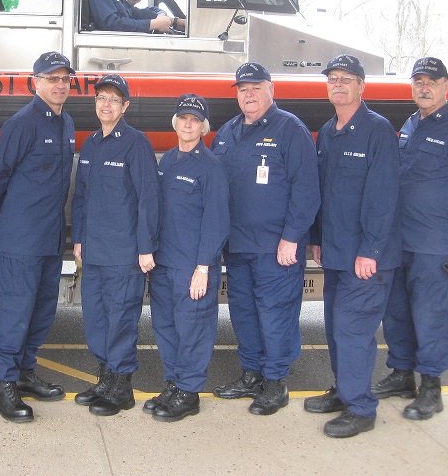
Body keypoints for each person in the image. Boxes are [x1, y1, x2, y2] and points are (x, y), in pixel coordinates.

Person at [372, 57, 448, 420]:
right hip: (398, 240)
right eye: (419, 81)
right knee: (397, 314)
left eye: (432, 82)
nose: (424, 87)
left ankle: (431, 388)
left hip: (432, 242)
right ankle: (401, 374)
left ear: (445, 87)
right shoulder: (410, 124)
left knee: (430, 315)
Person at [211, 63, 320, 416]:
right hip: (238, 247)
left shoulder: (290, 129)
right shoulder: (226, 133)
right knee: (244, 314)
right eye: (242, 89)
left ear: (271, 89)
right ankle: (251, 374)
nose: (248, 94)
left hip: (277, 248)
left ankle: (275, 383)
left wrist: (292, 237)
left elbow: (307, 189)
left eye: (256, 87)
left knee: (275, 316)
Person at [304, 54, 401, 438]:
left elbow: (384, 197)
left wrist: (371, 251)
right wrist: (317, 240)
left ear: (362, 86)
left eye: (347, 79)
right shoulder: (328, 131)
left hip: (365, 258)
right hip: (336, 252)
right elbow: (323, 193)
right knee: (334, 328)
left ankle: (361, 408)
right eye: (333, 79)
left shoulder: (378, 131)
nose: (338, 85)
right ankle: (345, 391)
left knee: (353, 331)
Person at [0, 51, 75, 423]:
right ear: (35, 82)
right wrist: (8, 220)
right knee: (16, 312)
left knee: (41, 311)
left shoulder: (65, 122)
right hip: (21, 238)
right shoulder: (22, 123)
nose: (60, 85)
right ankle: (2, 387)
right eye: (52, 78)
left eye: (65, 79)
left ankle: (24, 371)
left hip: (51, 237)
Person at [70, 74, 160, 417]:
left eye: (113, 99)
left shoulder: (136, 143)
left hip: (124, 254)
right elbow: (81, 196)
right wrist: (78, 238)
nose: (105, 105)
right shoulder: (91, 143)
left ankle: (122, 388)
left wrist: (145, 247)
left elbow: (147, 200)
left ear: (124, 107)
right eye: (100, 98)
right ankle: (106, 378)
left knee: (120, 318)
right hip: (93, 250)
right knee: (96, 318)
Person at [147, 94, 228, 422]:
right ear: (176, 122)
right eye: (183, 118)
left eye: (195, 119)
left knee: (193, 327)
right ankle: (174, 384)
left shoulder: (210, 167)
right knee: (166, 326)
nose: (188, 123)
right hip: (165, 263)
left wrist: (203, 267)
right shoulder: (167, 161)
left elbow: (217, 220)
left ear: (204, 126)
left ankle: (190, 392)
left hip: (192, 266)